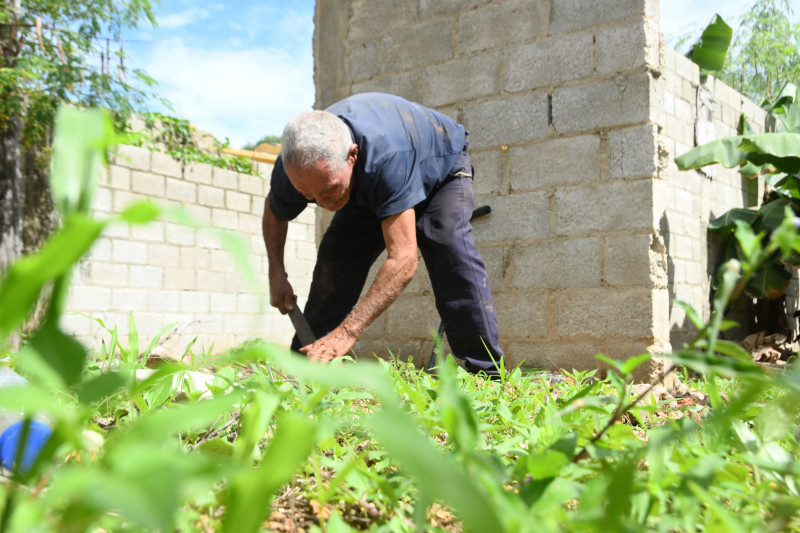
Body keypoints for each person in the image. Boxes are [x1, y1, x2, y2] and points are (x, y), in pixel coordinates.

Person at [262, 92, 504, 375]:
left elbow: (403, 259)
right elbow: (275, 213)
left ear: (352, 155)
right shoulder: (296, 167)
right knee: (336, 260)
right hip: (368, 182)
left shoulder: (385, 158)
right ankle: (307, 368)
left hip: (439, 166)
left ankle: (486, 372)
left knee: (446, 244)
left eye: (327, 190)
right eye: (309, 196)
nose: (323, 203)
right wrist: (276, 273)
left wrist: (347, 332)